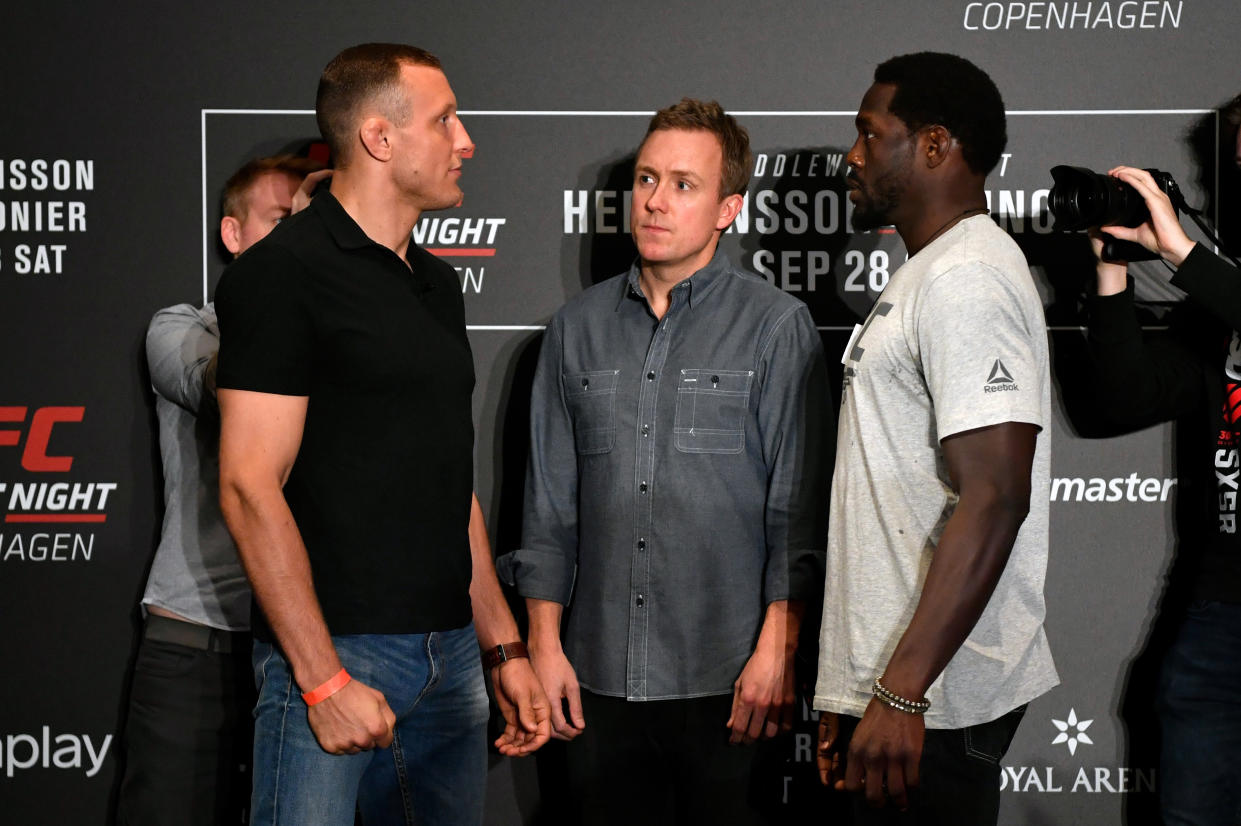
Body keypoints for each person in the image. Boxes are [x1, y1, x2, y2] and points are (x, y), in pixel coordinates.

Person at [213, 43, 549, 826]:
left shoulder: (435, 281)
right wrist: (322, 679)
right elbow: (246, 484)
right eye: (444, 121)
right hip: (338, 652)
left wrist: (501, 645)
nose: (465, 141)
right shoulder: (282, 272)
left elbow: (442, 475)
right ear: (379, 137)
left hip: (452, 655)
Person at [497, 98, 831, 824]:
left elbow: (793, 512)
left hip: (729, 679)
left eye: (683, 184)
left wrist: (778, 649)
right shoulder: (574, 331)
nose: (654, 200)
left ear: (726, 209)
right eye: (646, 179)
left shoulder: (776, 327)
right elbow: (548, 510)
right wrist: (544, 646)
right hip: (592, 676)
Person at [813, 52, 1058, 825]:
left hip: (934, 704)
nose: (851, 155)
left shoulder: (966, 279)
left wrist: (897, 693)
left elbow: (993, 497)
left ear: (932, 144)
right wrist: (850, 687)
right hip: (903, 691)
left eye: (868, 133)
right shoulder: (929, 273)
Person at [116, 153, 326, 826]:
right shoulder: (177, 330)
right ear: (232, 236)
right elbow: (230, 394)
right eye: (279, 222)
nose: (297, 239)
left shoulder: (348, 336)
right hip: (195, 649)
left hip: (307, 650)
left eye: (308, 224)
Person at [1084, 93, 1241, 826]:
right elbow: (1120, 400)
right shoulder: (1218, 300)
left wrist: (1180, 253)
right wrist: (1111, 271)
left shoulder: (1213, 282)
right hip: (1217, 615)